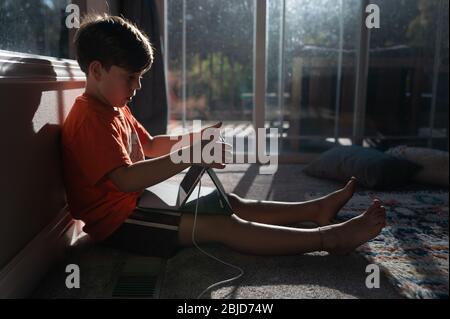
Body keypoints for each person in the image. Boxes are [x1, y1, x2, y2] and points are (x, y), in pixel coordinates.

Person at [61, 14, 386, 259]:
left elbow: (148, 146)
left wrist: (194, 138)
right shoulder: (89, 117)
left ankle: (312, 210)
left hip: (138, 203)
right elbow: (125, 179)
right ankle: (328, 239)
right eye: (131, 77)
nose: (138, 87)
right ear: (97, 71)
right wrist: (189, 156)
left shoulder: (114, 106)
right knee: (222, 225)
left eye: (140, 78)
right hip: (120, 223)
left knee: (227, 202)